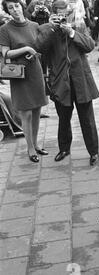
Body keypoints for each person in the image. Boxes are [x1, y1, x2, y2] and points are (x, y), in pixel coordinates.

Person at [36, 0, 99, 165]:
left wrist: (71, 33)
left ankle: (94, 152)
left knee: (87, 119)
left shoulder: (78, 25)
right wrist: (52, 28)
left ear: (69, 12)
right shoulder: (45, 28)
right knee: (63, 118)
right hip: (60, 81)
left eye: (65, 13)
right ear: (53, 13)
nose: (63, 16)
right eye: (59, 13)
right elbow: (40, 47)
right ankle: (64, 149)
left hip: (80, 80)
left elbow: (90, 45)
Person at [0, 0, 48, 163]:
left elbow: (42, 46)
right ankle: (30, 148)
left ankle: (36, 144)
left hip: (35, 72)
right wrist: (26, 49)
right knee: (26, 113)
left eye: (17, 6)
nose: (15, 10)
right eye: (10, 8)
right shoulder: (5, 29)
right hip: (19, 75)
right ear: (7, 11)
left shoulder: (34, 25)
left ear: (22, 7)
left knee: (36, 111)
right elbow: (5, 53)